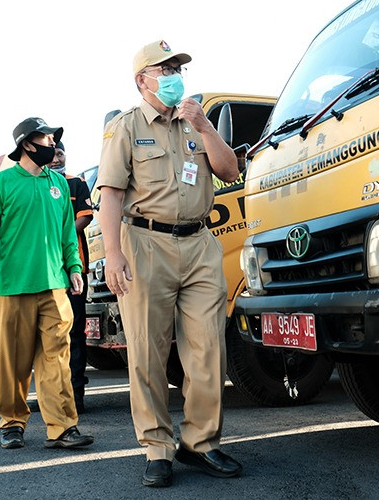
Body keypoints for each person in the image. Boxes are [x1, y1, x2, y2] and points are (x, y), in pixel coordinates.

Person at [97, 40, 242, 488]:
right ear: (142, 80)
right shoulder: (125, 127)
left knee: (207, 349)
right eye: (165, 68)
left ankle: (200, 443)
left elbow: (230, 171)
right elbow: (111, 196)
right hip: (144, 242)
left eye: (178, 66)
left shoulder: (195, 121)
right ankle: (156, 447)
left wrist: (205, 127)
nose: (175, 73)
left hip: (199, 242)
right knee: (147, 352)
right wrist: (113, 255)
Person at [0, 117, 93, 451]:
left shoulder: (58, 184)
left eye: (53, 139)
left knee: (57, 359)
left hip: (55, 287)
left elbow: (67, 233)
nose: (52, 145)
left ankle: (62, 427)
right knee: (14, 361)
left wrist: (73, 267)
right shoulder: (0, 183)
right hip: (12, 287)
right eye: (45, 139)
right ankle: (12, 423)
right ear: (27, 144)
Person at [50, 140, 94, 413]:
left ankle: (76, 395)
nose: (55, 158)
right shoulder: (36, 185)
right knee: (49, 335)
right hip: (45, 271)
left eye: (60, 153)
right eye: (52, 154)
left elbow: (86, 217)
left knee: (75, 332)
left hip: (74, 269)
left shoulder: (76, 183)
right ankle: (53, 394)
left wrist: (59, 237)